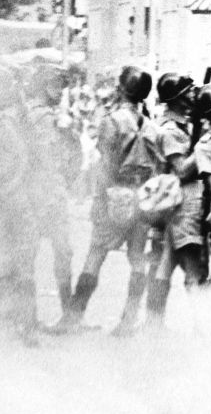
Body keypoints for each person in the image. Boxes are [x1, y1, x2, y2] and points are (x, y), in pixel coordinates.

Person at [51, 66, 162, 333]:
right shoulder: (151, 127)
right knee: (137, 258)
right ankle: (128, 320)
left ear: (122, 89)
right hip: (142, 197)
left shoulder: (112, 121)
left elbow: (106, 164)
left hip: (114, 193)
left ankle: (73, 317)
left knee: (96, 255)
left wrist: (100, 198)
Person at [137, 74, 211, 329]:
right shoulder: (171, 131)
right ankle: (200, 326)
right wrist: (203, 145)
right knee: (193, 268)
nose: (192, 95)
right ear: (176, 98)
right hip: (183, 202)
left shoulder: (183, 126)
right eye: (187, 92)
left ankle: (154, 322)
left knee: (165, 263)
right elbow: (182, 170)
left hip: (181, 202)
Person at [24, 63, 79, 318]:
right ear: (45, 86)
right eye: (56, 85)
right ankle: (28, 316)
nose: (60, 91)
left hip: (49, 190)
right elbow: (47, 156)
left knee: (63, 252)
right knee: (29, 254)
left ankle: (65, 315)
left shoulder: (46, 116)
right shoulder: (41, 117)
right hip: (39, 192)